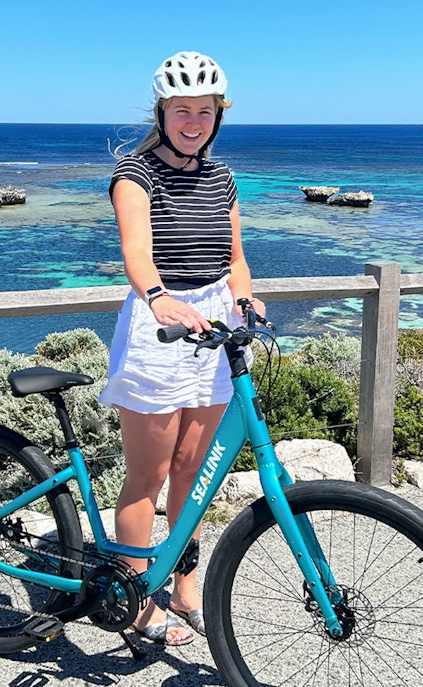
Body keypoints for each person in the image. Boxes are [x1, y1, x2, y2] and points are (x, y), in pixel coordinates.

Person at [99, 51, 266, 646]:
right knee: (148, 476)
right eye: (181, 110)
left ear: (217, 116)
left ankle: (184, 580)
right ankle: (136, 593)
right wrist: (158, 298)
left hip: (214, 324)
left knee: (193, 472)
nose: (193, 121)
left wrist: (245, 300)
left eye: (204, 111)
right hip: (160, 326)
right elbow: (137, 254)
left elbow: (236, 260)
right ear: (162, 112)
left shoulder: (221, 178)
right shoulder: (134, 174)